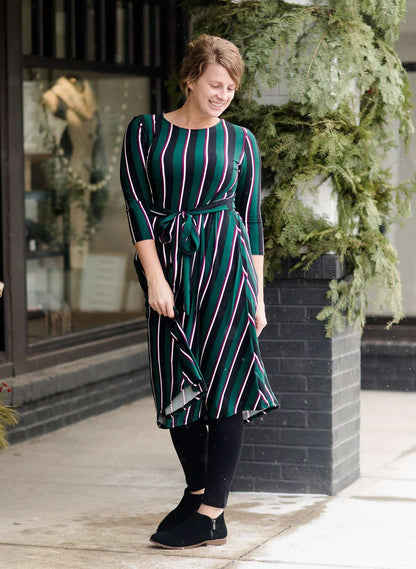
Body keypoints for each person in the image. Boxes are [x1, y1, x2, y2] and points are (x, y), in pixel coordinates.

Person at [120, 34, 279, 550]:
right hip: (170, 267)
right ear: (190, 79)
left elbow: (250, 222)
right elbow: (138, 209)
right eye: (215, 84)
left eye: (231, 87)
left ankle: (212, 511)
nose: (223, 94)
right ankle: (197, 492)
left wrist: (257, 295)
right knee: (176, 381)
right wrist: (156, 280)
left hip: (226, 269)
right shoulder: (145, 132)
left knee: (227, 382)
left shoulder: (241, 141)